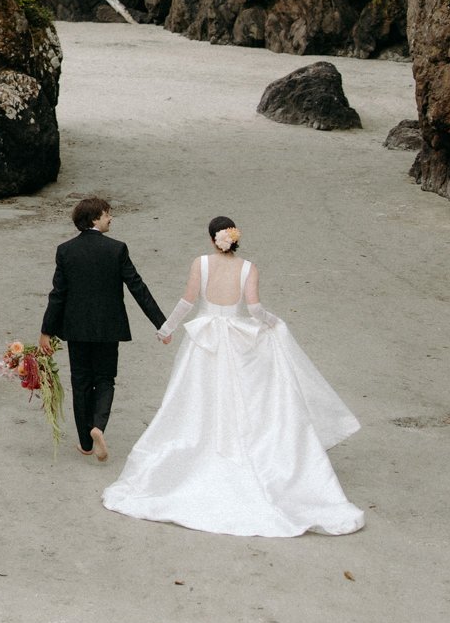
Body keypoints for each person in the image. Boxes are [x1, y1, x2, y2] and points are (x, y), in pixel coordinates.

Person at [102, 215, 364, 536]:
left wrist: (167, 327)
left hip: (205, 339)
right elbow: (254, 310)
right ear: (233, 237)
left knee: (195, 398)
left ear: (213, 239)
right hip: (238, 339)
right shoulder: (248, 268)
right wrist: (271, 322)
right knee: (242, 399)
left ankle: (197, 454)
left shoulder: (200, 264)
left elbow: (187, 301)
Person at [39, 195, 166, 462]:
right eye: (107, 214)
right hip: (109, 328)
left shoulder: (65, 250)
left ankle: (86, 443)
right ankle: (98, 426)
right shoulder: (117, 249)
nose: (110, 218)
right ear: (95, 218)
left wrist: (46, 331)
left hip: (76, 328)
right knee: (105, 379)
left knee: (81, 381)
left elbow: (58, 294)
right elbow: (137, 287)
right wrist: (161, 322)